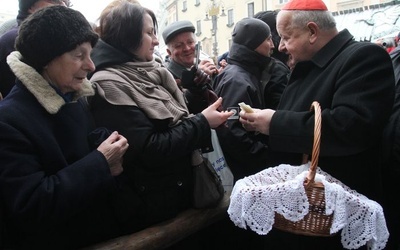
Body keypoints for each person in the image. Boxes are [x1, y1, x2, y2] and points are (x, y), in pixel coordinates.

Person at [238, 0, 395, 249]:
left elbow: (349, 127)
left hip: (334, 218)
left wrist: (274, 123)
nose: (280, 46)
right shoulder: (308, 64)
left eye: (286, 37)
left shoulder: (363, 57)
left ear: (312, 31)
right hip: (305, 215)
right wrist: (260, 124)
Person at [88, 1, 233, 240]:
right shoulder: (109, 83)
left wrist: (194, 93)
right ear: (128, 36)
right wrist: (203, 123)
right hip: (156, 209)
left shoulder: (149, 69)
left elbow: (172, 118)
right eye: (149, 33)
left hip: (178, 194)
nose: (155, 41)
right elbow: (149, 148)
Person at [0, 6, 130, 249]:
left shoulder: (73, 99)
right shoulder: (8, 121)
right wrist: (101, 162)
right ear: (46, 59)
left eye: (91, 54)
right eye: (79, 55)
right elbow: (31, 205)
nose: (91, 65)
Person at [212, 17, 288, 181]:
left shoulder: (245, 74)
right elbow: (232, 131)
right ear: (254, 43)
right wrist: (267, 159)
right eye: (268, 39)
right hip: (247, 171)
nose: (273, 45)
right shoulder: (237, 80)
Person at [0, 0, 67, 99]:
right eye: (53, 1)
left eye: (66, 2)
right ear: (31, 7)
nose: (63, 5)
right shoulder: (21, 40)